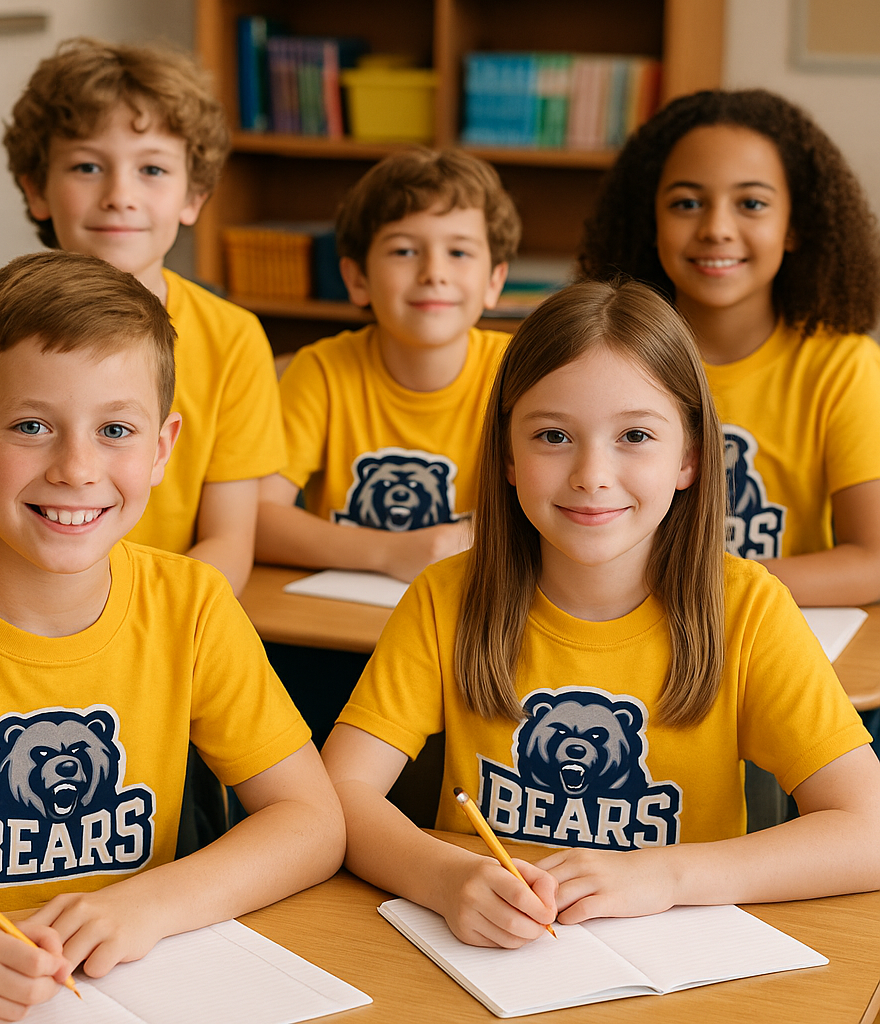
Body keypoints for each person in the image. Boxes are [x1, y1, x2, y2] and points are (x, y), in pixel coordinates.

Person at [0, 252, 344, 1024]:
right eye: (31, 426)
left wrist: (146, 904)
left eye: (115, 429)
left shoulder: (191, 606)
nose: (76, 468)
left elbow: (312, 823)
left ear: (161, 449)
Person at [322, 279, 880, 950]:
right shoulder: (447, 598)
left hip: (678, 965)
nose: (591, 473)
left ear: (690, 457)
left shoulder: (749, 609)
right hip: (488, 966)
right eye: (553, 435)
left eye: (635, 435)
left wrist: (665, 875)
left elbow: (869, 828)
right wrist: (444, 878)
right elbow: (334, 798)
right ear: (505, 453)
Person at [0, 37, 284, 595]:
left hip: (154, 639)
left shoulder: (234, 339)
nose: (120, 195)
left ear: (194, 196)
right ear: (36, 189)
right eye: (88, 166)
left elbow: (229, 541)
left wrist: (142, 634)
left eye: (153, 170)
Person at [578, 88, 880, 608]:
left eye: (752, 204)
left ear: (794, 227)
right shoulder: (599, 357)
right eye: (687, 203)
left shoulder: (843, 368)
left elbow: (873, 560)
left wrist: (693, 580)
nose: (716, 229)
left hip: (765, 634)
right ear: (650, 222)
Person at [255, 148, 519, 585]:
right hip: (341, 619)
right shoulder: (320, 371)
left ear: (494, 281)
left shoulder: (520, 371)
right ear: (357, 279)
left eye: (459, 252)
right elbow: (257, 519)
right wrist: (395, 552)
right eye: (403, 251)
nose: (434, 272)